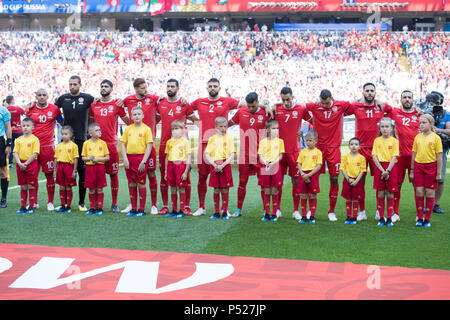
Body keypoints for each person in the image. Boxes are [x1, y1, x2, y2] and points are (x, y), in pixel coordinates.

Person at [190, 78, 242, 216]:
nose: (213, 88)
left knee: (223, 179)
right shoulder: (199, 101)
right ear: (207, 88)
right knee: (202, 176)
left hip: (222, 145)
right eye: (210, 86)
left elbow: (244, 104)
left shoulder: (227, 101)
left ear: (219, 88)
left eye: (215, 86)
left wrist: (266, 105)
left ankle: (224, 209)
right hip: (204, 144)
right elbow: (185, 109)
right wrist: (196, 122)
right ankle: (201, 207)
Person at [346, 83, 393, 221]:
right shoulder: (356, 106)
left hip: (377, 150)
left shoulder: (380, 106)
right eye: (367, 91)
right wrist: (355, 100)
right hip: (360, 149)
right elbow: (342, 110)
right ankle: (362, 212)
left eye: (372, 91)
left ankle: (380, 211)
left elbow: (393, 112)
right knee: (359, 181)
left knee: (380, 181)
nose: (370, 93)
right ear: (363, 92)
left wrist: (383, 103)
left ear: (375, 92)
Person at [305, 89, 351, 221]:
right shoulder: (314, 106)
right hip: (318, 148)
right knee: (313, 178)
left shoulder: (340, 106)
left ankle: (331, 211)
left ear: (331, 98)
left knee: (334, 179)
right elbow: (301, 107)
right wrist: (310, 120)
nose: (324, 106)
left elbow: (355, 106)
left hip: (334, 149)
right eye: (322, 103)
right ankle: (311, 210)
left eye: (326, 103)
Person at [156, 79, 196, 216]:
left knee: (185, 177)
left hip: (181, 144)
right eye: (168, 86)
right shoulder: (160, 103)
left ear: (178, 88)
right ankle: (166, 206)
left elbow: (195, 119)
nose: (170, 88)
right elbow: (153, 119)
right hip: (164, 143)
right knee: (164, 175)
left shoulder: (184, 104)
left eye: (172, 86)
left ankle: (186, 206)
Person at [55, 75, 95, 212]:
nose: (72, 87)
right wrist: (62, 124)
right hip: (66, 142)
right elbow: (53, 111)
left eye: (75, 84)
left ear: (80, 85)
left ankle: (82, 203)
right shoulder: (62, 98)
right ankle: (65, 204)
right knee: (64, 173)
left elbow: (99, 105)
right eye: (70, 84)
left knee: (82, 173)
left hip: (81, 141)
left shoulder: (88, 98)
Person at [89, 79, 129, 213]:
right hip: (96, 145)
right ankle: (95, 204)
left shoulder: (117, 104)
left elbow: (127, 121)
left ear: (111, 89)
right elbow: (90, 122)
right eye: (102, 86)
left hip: (111, 145)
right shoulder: (94, 104)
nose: (103, 88)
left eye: (106, 86)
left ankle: (114, 203)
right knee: (95, 175)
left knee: (113, 174)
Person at [122, 78, 160, 214]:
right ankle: (133, 204)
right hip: (133, 149)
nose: (146, 90)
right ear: (136, 89)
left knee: (150, 173)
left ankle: (154, 204)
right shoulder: (128, 100)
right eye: (143, 88)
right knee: (133, 177)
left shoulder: (153, 98)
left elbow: (165, 101)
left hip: (148, 145)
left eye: (146, 87)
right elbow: (117, 106)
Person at [228, 92, 269, 217]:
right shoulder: (241, 112)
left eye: (253, 106)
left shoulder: (265, 113)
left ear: (257, 102)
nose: (251, 109)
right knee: (242, 181)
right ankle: (238, 209)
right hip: (244, 154)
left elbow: (277, 124)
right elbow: (228, 124)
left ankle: (266, 210)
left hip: (260, 154)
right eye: (249, 106)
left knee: (263, 182)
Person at [274, 87, 312, 219]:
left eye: (288, 99)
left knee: (296, 181)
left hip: (294, 152)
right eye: (283, 100)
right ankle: (277, 209)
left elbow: (313, 121)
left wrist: (303, 132)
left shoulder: (301, 109)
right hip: (279, 152)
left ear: (292, 97)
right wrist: (272, 104)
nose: (286, 102)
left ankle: (296, 210)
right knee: (278, 181)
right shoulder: (276, 109)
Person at [26, 88, 64, 211]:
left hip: (48, 147)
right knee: (32, 176)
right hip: (32, 147)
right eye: (39, 95)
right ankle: (34, 202)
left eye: (44, 95)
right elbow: (26, 125)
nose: (42, 97)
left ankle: (50, 202)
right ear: (36, 97)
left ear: (48, 96)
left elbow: (62, 123)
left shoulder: (54, 109)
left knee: (49, 175)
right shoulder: (30, 109)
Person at [389, 90, 420, 222]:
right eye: (404, 97)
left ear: (413, 100)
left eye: (409, 97)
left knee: (417, 186)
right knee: (398, 184)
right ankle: (395, 212)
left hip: (416, 156)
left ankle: (420, 214)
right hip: (399, 156)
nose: (407, 99)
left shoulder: (420, 115)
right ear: (400, 100)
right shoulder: (394, 112)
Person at [410, 114, 443, 228]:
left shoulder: (436, 138)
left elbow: (439, 156)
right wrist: (412, 170)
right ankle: (419, 218)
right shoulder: (417, 137)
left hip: (431, 167)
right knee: (419, 191)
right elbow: (413, 154)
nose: (421, 125)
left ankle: (427, 219)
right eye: (420, 123)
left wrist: (438, 173)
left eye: (424, 123)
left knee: (429, 192)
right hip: (418, 167)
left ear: (431, 124)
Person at [120, 107, 153, 217]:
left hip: (140, 158)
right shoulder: (128, 129)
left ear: (143, 116)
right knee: (132, 182)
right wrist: (125, 158)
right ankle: (133, 208)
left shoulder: (146, 129)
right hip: (129, 159)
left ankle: (141, 209)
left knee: (141, 183)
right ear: (131, 116)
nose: (137, 116)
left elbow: (149, 146)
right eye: (134, 114)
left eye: (139, 114)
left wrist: (144, 161)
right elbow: (123, 144)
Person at [204, 116, 236, 220]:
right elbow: (207, 154)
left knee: (225, 189)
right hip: (214, 165)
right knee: (216, 189)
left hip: (225, 166)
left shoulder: (229, 138)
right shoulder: (212, 139)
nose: (223, 128)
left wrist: (223, 165)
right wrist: (214, 165)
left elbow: (232, 155)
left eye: (225, 126)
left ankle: (225, 211)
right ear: (216, 127)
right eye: (221, 126)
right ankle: (217, 212)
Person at [372, 117, 399, 227]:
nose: (384, 129)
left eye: (387, 126)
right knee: (381, 193)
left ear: (391, 128)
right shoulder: (377, 140)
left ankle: (389, 217)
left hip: (391, 168)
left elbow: (394, 156)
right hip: (380, 168)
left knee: (390, 193)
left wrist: (387, 170)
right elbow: (374, 156)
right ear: (379, 128)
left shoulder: (395, 141)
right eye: (382, 126)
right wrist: (382, 170)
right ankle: (381, 218)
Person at [164, 120, 192, 219]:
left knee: (181, 187)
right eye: (173, 129)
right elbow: (167, 157)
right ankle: (174, 210)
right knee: (172, 187)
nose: (174, 131)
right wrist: (166, 171)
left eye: (177, 129)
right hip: (171, 166)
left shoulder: (185, 142)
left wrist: (185, 171)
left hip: (181, 166)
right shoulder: (169, 142)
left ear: (183, 130)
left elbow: (188, 157)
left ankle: (182, 209)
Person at [257, 119, 284, 222]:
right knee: (267, 191)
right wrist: (266, 163)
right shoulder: (263, 142)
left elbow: (280, 155)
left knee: (274, 191)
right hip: (265, 167)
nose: (276, 130)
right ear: (267, 130)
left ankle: (274, 213)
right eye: (273, 128)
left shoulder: (280, 141)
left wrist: (272, 163)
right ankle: (267, 213)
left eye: (277, 128)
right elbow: (261, 156)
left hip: (275, 167)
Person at [81, 123, 110, 216]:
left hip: (100, 168)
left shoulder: (103, 143)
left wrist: (98, 159)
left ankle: (100, 208)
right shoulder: (86, 143)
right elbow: (83, 158)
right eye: (97, 130)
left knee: (100, 188)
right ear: (90, 133)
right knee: (92, 189)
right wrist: (89, 158)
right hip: (90, 168)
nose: (100, 131)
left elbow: (107, 157)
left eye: (100, 129)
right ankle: (92, 208)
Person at [12, 117, 40, 214]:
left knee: (31, 186)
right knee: (23, 187)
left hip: (31, 164)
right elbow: (15, 152)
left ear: (32, 127)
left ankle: (31, 206)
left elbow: (35, 153)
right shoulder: (18, 140)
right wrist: (19, 163)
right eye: (23, 126)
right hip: (20, 165)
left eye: (28, 126)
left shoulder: (35, 139)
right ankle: (23, 206)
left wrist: (26, 163)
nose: (25, 128)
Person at [296, 130, 322, 224]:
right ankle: (303, 216)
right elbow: (298, 163)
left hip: (313, 175)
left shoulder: (318, 152)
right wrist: (302, 173)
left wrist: (308, 175)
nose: (308, 142)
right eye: (307, 140)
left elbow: (319, 166)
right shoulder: (303, 152)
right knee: (303, 195)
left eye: (310, 140)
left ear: (316, 141)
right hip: (303, 175)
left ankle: (312, 216)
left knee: (312, 195)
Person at [341, 137, 366, 225]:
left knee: (355, 199)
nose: (354, 146)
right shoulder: (345, 157)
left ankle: (354, 217)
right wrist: (348, 179)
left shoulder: (362, 158)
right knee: (348, 198)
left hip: (357, 181)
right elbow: (343, 169)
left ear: (359, 147)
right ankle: (348, 216)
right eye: (351, 144)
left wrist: (356, 181)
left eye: (356, 144)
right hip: (347, 180)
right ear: (348, 146)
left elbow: (362, 171)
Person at [54, 125, 79, 214]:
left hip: (69, 167)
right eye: (62, 134)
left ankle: (68, 206)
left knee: (68, 187)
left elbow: (76, 158)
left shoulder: (74, 146)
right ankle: (62, 204)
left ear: (71, 135)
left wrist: (74, 170)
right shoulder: (59, 145)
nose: (63, 136)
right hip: (60, 167)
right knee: (61, 186)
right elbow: (56, 158)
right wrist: (55, 170)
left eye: (66, 134)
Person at [5, 95, 25, 166]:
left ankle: (10, 162)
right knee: (22, 145)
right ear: (12, 100)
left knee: (11, 146)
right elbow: (24, 112)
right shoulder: (17, 108)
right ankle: (22, 159)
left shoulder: (5, 109)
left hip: (9, 131)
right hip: (18, 130)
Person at [0, 99, 12, 208]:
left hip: (0, 142)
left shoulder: (4, 111)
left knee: (2, 170)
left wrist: (9, 144)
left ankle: (3, 199)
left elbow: (8, 127)